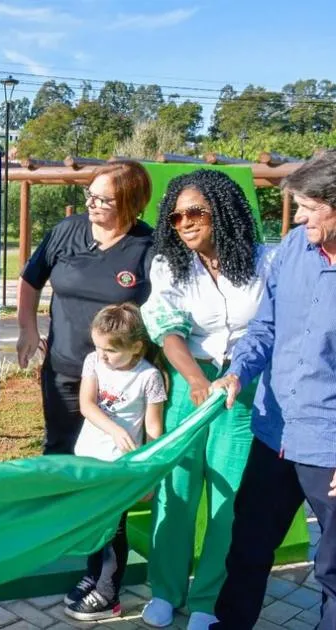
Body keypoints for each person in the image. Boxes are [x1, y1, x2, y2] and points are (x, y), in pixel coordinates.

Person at [138, 169, 275, 630]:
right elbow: (168, 329)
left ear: (224, 211)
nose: (185, 223)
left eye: (195, 212)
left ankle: (207, 599)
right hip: (188, 383)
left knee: (227, 499)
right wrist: (196, 380)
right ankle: (164, 590)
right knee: (176, 492)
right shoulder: (169, 265)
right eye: (176, 217)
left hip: (244, 389)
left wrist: (230, 378)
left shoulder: (266, 262)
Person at [208, 150, 336, 629]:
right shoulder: (292, 249)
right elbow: (265, 325)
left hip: (328, 447)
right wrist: (238, 369)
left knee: (332, 567)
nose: (298, 216)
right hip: (274, 432)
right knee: (248, 547)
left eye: (308, 206)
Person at [18, 160, 156, 455]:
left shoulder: (150, 245)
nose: (91, 203)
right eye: (89, 194)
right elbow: (30, 281)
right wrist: (27, 330)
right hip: (65, 367)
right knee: (60, 449)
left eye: (103, 199)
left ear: (131, 203)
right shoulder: (66, 230)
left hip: (121, 377)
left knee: (113, 453)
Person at [63, 303, 166, 621]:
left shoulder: (149, 377)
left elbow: (153, 429)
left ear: (136, 346)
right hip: (90, 459)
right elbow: (86, 404)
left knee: (113, 528)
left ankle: (108, 593)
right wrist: (115, 428)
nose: (102, 355)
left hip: (120, 468)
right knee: (95, 524)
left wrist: (149, 476)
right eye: (98, 347)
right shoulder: (94, 362)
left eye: (110, 350)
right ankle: (92, 576)